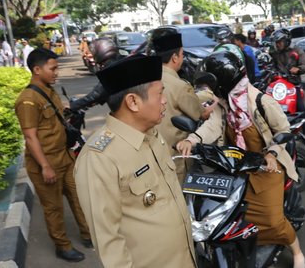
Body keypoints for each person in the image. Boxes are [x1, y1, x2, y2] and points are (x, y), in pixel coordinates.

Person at [175, 50, 305, 268]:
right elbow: (212, 126)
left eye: (212, 83)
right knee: (236, 219)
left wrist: (272, 153)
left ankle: (297, 252)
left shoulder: (261, 101)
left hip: (267, 169)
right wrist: (192, 139)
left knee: (273, 221)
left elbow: (282, 129)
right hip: (238, 170)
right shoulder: (225, 103)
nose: (211, 89)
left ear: (223, 80)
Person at [74, 54, 196, 268]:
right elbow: (109, 243)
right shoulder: (99, 158)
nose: (165, 100)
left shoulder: (153, 135)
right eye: (159, 94)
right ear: (133, 101)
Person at [14, 48, 92, 262]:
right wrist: (45, 166)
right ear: (37, 69)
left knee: (78, 197)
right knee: (54, 207)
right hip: (46, 162)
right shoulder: (28, 100)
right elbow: (30, 137)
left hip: (64, 157)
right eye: (53, 68)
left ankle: (87, 234)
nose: (57, 72)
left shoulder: (49, 90)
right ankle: (62, 246)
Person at [151, 32, 216, 183]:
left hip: (153, 151)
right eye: (181, 54)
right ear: (174, 57)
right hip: (176, 153)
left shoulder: (151, 79)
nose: (182, 58)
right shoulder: (179, 85)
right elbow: (202, 114)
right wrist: (219, 103)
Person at [271, 28, 305, 144]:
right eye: (276, 42)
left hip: (293, 84)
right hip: (279, 85)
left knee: (301, 108)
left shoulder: (297, 51)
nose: (278, 44)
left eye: (280, 41)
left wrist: (298, 69)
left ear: (286, 41)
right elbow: (270, 65)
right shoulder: (275, 54)